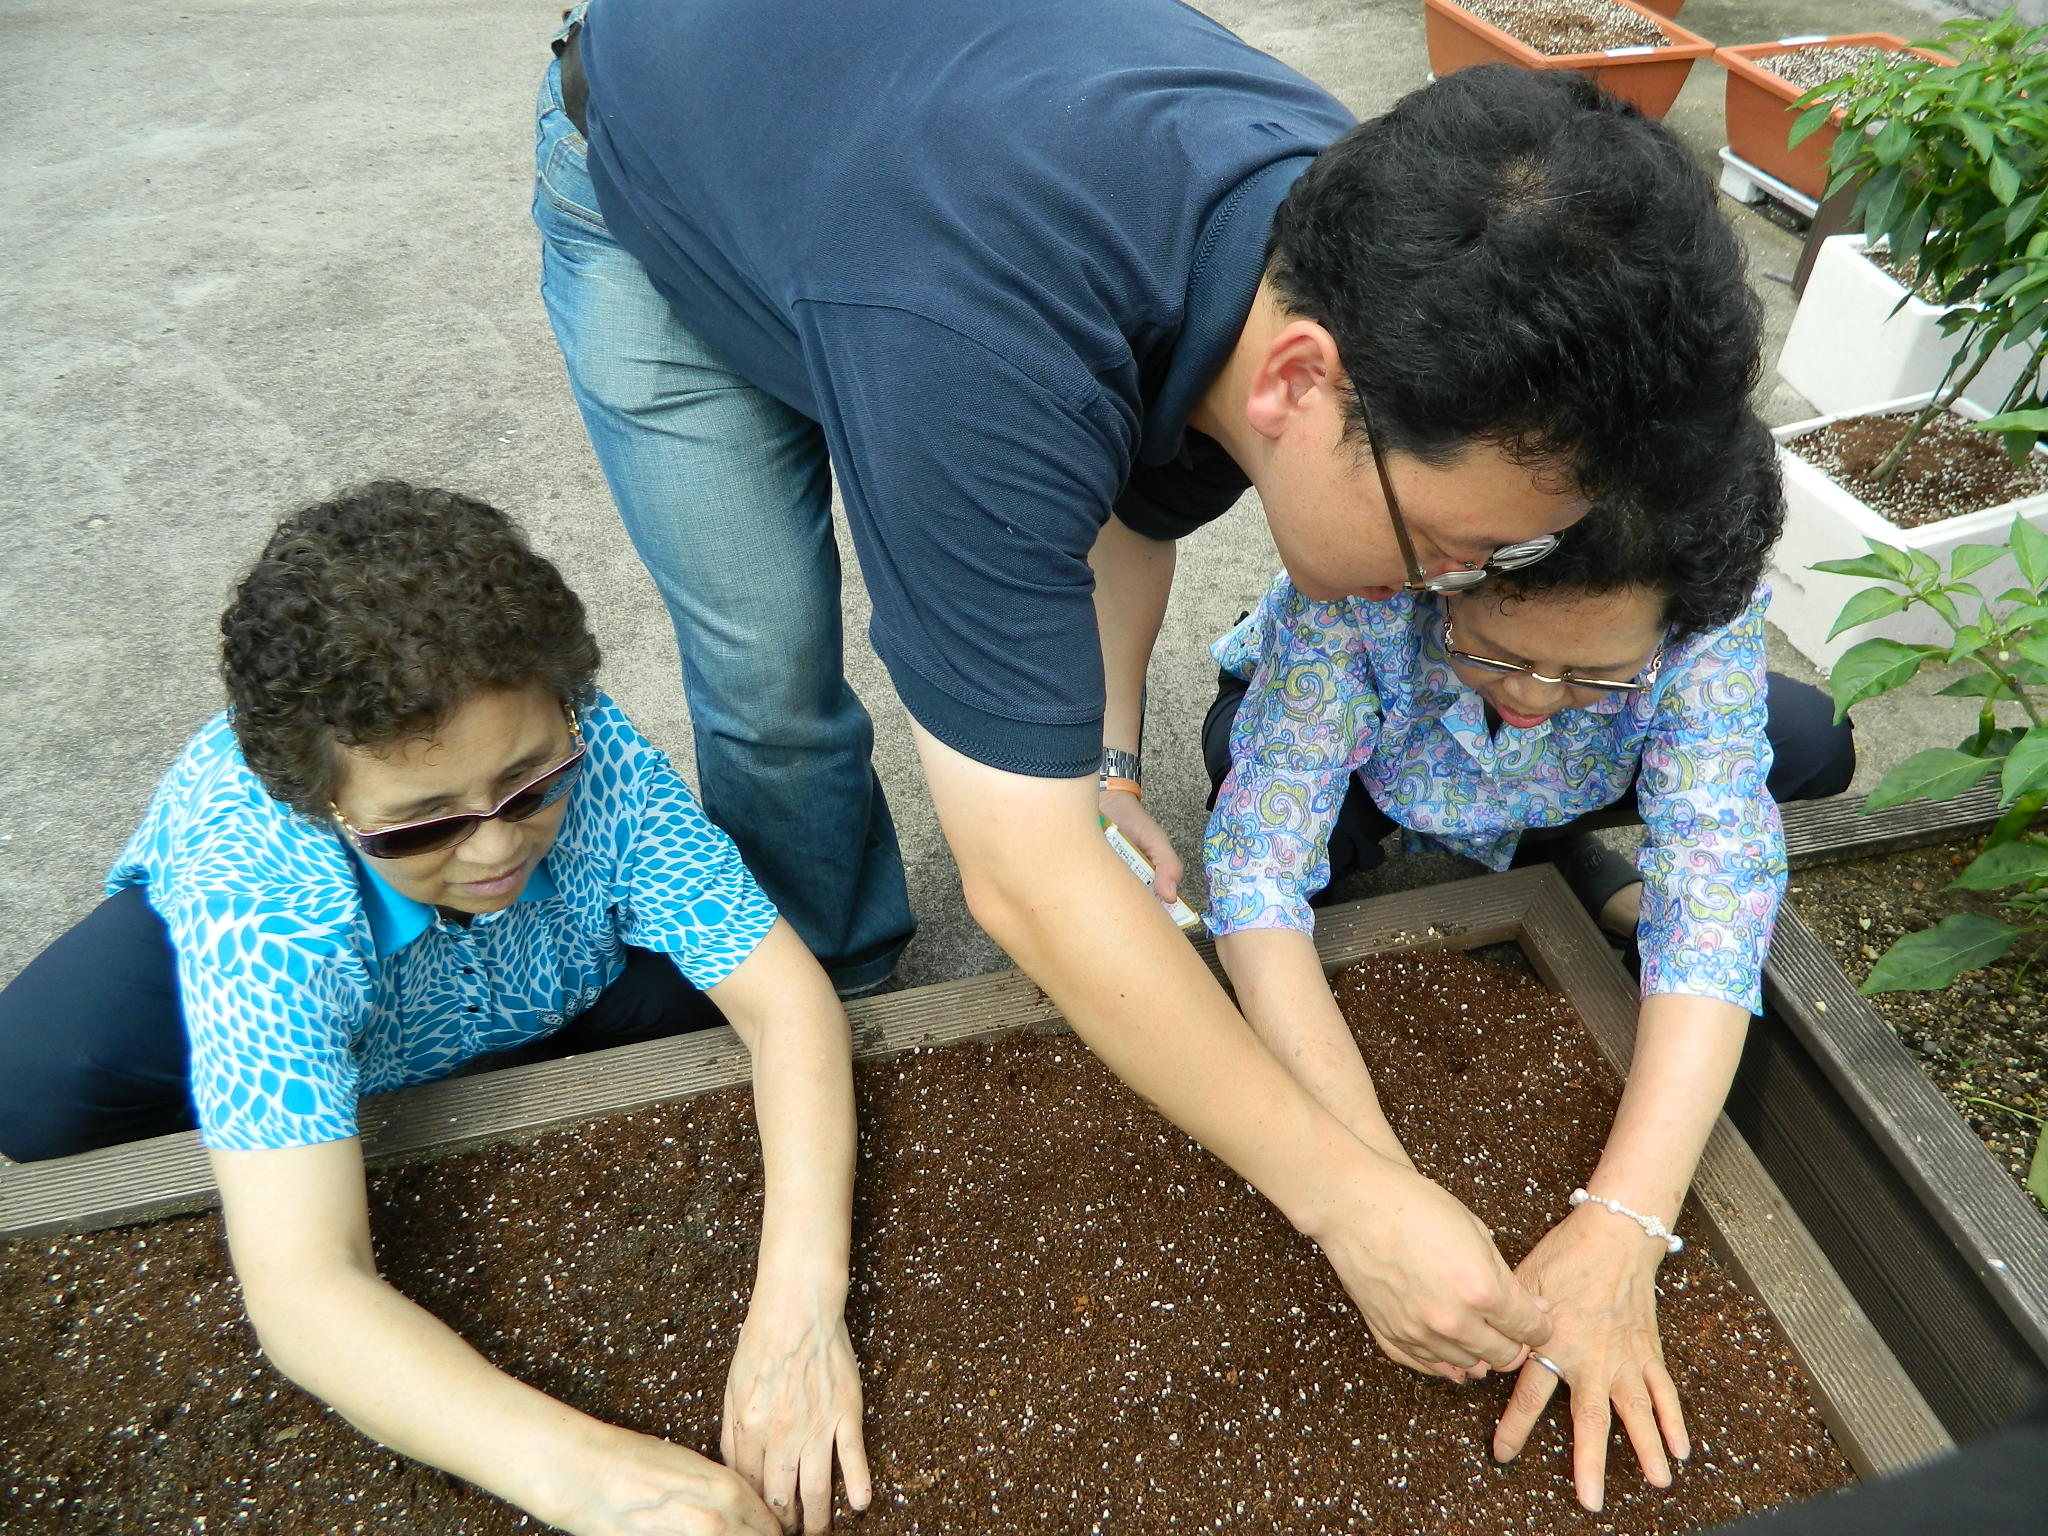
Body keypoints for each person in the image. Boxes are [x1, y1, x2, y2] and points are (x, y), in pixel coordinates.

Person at [535, 0, 1769, 1384]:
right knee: (770, 674)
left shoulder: (1369, 269)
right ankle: (831, 987)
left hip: (889, 158)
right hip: (665, 163)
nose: (1452, 592)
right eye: (1449, 547)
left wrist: (1105, 761)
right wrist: (1351, 1201)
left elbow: (1126, 497)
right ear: (1301, 383)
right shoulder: (980, 351)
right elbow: (1024, 877)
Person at [0, 484, 867, 1536]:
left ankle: (461, 1035)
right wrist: (600, 1480)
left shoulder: (596, 752)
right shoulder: (260, 896)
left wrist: (798, 1310)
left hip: (545, 974)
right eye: (421, 824)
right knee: (38, 1083)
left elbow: (786, 1003)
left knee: (708, 1016)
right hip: (329, 977)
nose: (496, 846)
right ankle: (337, 1075)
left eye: (529, 782)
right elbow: (305, 1286)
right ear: (320, 803)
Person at [1199, 469, 1856, 1513]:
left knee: (1813, 741)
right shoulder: (1363, 583)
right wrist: (1370, 1188)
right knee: (1254, 770)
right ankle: (1488, 853)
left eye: (1593, 670)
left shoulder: (1702, 607)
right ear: (1447, 574)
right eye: (1496, 651)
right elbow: (1254, 872)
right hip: (1383, 755)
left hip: (1563, 776)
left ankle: (1551, 853)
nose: (1538, 695)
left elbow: (1716, 896)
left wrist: (1626, 1224)